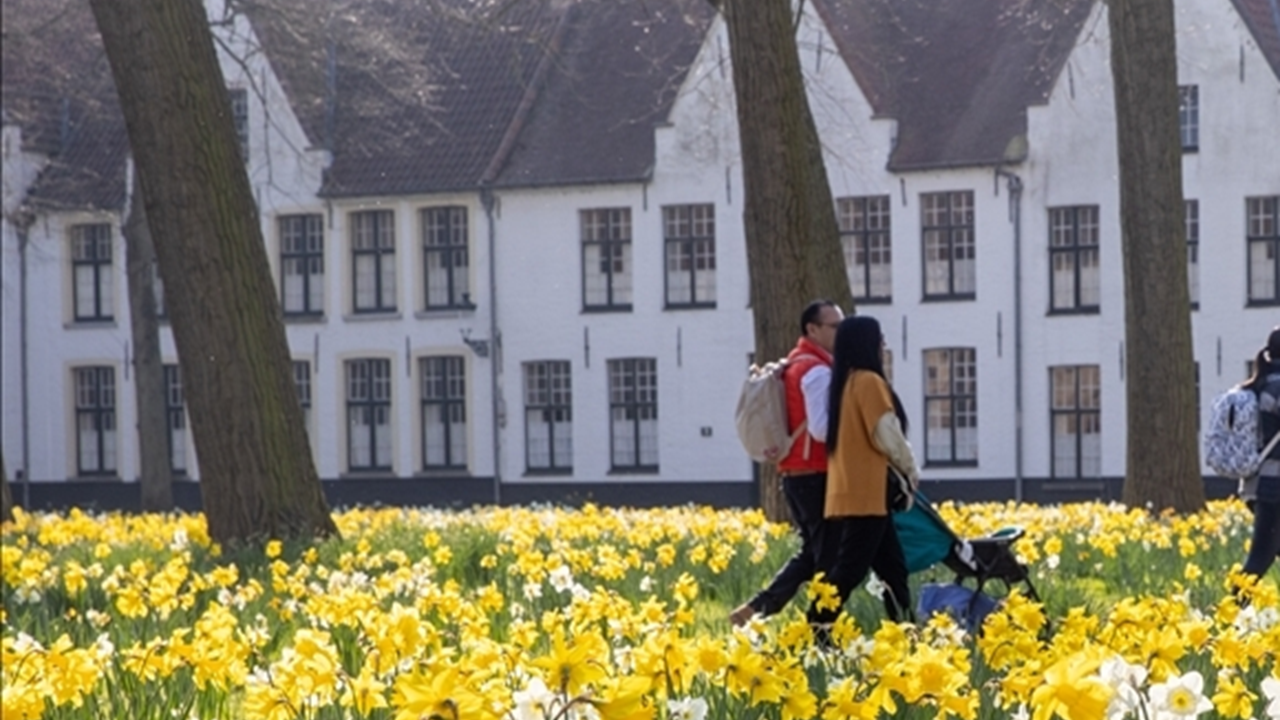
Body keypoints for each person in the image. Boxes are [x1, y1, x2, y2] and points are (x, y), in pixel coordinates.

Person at [729, 300, 844, 627]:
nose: (840, 331)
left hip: (796, 473)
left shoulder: (795, 364)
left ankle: (756, 610)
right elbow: (820, 429)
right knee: (827, 557)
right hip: (815, 472)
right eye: (834, 326)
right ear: (812, 329)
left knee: (814, 552)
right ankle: (819, 627)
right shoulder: (816, 370)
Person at [813, 315, 919, 625]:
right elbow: (886, 433)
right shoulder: (869, 382)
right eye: (880, 338)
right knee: (849, 570)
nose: (883, 345)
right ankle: (816, 626)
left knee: (892, 566)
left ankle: (905, 627)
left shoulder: (844, 384)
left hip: (853, 488)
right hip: (868, 491)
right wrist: (909, 468)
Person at [1240, 326, 1280, 581]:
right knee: (1259, 558)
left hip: (1261, 484)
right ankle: (1229, 613)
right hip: (1276, 487)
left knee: (1263, 554)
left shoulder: (1259, 384)